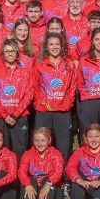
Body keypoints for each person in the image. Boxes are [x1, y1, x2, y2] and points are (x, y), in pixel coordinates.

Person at [33, 33, 79, 161]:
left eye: (57, 44)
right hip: (44, 111)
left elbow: (72, 86)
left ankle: (62, 175)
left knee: (63, 145)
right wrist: (39, 102)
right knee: (41, 143)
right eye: (51, 44)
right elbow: (35, 86)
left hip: (62, 111)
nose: (54, 47)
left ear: (62, 46)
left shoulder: (69, 64)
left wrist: (69, 103)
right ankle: (42, 173)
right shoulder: (40, 64)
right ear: (46, 47)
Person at [0, 39, 35, 157]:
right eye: (7, 51)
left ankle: (18, 175)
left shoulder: (25, 73)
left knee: (20, 149)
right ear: (3, 53)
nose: (10, 54)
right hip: (0, 117)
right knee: (2, 149)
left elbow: (29, 95)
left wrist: (15, 114)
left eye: (12, 51)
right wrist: (5, 115)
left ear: (17, 52)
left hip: (19, 117)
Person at [19, 127, 65, 199]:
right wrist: (27, 185)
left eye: (43, 140)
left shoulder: (55, 154)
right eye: (36, 140)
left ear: (49, 140)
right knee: (30, 179)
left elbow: (58, 171)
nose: (39, 144)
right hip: (35, 189)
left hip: (52, 190)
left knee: (46, 179)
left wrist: (48, 184)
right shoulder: (28, 154)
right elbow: (21, 171)